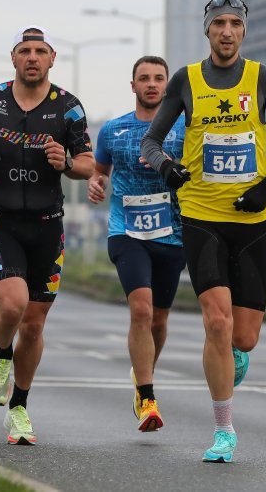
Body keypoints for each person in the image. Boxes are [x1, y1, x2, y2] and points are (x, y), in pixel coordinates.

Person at [141, 0, 266, 462]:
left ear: (244, 30)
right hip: (201, 215)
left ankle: (235, 355)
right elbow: (153, 141)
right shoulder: (187, 80)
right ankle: (224, 431)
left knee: (243, 336)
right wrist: (166, 168)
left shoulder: (262, 78)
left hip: (252, 219)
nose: (228, 31)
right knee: (217, 321)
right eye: (220, 24)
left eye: (235, 23)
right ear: (208, 30)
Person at [0, 25, 94, 445]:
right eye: (25, 51)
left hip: (49, 227)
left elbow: (87, 164)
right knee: (12, 306)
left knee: (33, 326)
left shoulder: (68, 107)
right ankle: (0, 353)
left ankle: (19, 409)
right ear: (13, 59)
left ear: (52, 60)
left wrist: (66, 161)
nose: (32, 58)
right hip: (1, 221)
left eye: (41, 51)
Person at [88, 56, 186, 433]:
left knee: (159, 319)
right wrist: (96, 184)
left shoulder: (184, 129)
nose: (151, 84)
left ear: (167, 86)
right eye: (143, 78)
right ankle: (147, 396)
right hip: (126, 232)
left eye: (158, 78)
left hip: (172, 234)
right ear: (133, 86)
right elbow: (99, 173)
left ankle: (142, 371)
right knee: (141, 310)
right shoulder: (113, 130)